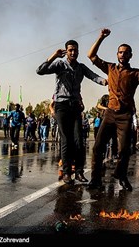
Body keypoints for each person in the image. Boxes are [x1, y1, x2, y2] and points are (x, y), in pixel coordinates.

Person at [86, 28, 139, 191]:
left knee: (125, 149)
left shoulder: (135, 73)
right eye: (120, 52)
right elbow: (91, 55)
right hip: (110, 114)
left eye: (126, 53)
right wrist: (100, 37)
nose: (122, 55)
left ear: (130, 56)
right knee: (98, 147)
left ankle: (121, 175)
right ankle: (95, 179)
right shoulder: (110, 68)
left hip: (125, 116)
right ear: (117, 55)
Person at [36, 39, 108, 185]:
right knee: (66, 140)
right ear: (66, 51)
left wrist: (106, 81)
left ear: (78, 51)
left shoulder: (81, 67)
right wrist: (54, 56)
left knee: (79, 140)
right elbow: (40, 70)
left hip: (75, 105)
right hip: (61, 105)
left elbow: (94, 76)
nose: (73, 52)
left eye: (75, 50)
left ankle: (79, 172)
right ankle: (67, 172)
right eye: (70, 50)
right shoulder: (59, 65)